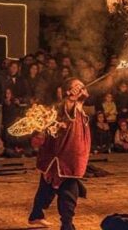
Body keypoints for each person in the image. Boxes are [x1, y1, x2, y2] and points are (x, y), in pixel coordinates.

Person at [28, 77, 91, 230]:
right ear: (69, 92)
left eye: (81, 86)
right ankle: (67, 225)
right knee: (68, 191)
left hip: (68, 157)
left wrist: (77, 100)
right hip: (62, 158)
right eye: (77, 86)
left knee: (47, 187)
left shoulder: (79, 107)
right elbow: (68, 110)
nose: (81, 88)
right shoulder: (65, 107)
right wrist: (71, 99)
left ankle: (36, 214)